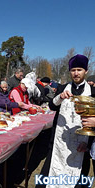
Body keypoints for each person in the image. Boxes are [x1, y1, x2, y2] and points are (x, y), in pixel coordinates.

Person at [38, 54, 95, 188]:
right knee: (48, 177)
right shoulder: (63, 87)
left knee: (77, 181)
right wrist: (60, 97)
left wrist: (87, 143)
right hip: (60, 141)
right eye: (73, 70)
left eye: (79, 70)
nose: (76, 73)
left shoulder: (92, 91)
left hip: (82, 143)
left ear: (86, 71)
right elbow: (52, 106)